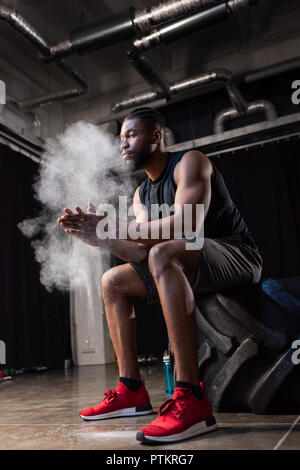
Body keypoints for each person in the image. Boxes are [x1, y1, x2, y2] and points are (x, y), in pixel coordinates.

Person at [58, 107, 262, 444]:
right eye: (120, 139)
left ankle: (190, 398)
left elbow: (187, 226)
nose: (123, 145)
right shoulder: (142, 194)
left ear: (156, 136)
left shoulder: (190, 163)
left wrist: (113, 226)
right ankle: (132, 391)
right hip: (185, 260)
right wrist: (103, 238)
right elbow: (143, 256)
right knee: (113, 282)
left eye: (131, 135)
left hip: (236, 254)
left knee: (164, 251)